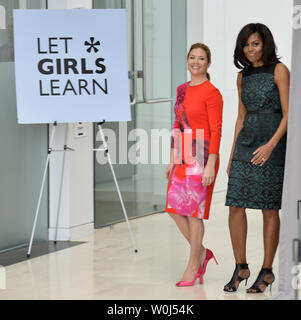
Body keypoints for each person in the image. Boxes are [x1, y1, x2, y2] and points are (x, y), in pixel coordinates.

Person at [224, 23, 290, 293]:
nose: (250, 49)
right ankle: (241, 266)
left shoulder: (279, 70)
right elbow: (240, 117)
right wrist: (231, 156)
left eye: (255, 44)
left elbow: (289, 114)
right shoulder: (242, 76)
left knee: (269, 209)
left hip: (272, 145)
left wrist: (271, 145)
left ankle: (267, 270)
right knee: (235, 207)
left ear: (266, 44)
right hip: (246, 143)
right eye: (246, 44)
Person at [165, 43, 223, 287]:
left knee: (194, 213)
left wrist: (211, 164)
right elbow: (176, 124)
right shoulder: (181, 89)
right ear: (187, 60)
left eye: (201, 58)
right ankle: (201, 252)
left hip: (202, 157)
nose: (196, 62)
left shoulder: (212, 92)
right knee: (175, 209)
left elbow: (216, 130)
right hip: (181, 156)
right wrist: (171, 159)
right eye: (192, 57)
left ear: (208, 63)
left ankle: (193, 266)